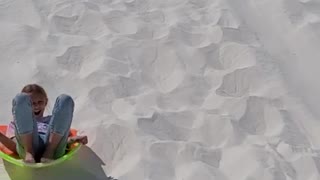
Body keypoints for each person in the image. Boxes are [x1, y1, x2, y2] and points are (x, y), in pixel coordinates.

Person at [0, 84, 88, 163]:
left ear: (45, 102)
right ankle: (29, 151)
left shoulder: (52, 120)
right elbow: (15, 146)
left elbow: (64, 141)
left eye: (40, 102)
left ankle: (49, 151)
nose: (36, 106)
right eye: (31, 103)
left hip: (53, 147)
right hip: (28, 147)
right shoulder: (17, 124)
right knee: (20, 98)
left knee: (65, 99)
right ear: (26, 106)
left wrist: (74, 139)